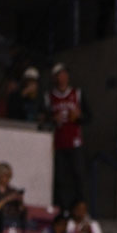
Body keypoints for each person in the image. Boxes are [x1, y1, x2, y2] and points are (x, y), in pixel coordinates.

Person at [45, 64, 89, 211]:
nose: (62, 77)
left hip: (75, 142)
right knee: (60, 178)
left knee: (78, 176)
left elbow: (89, 117)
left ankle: (80, 208)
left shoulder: (77, 94)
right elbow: (41, 118)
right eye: (59, 74)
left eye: (64, 74)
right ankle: (62, 210)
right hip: (58, 143)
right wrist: (52, 119)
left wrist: (78, 117)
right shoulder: (48, 96)